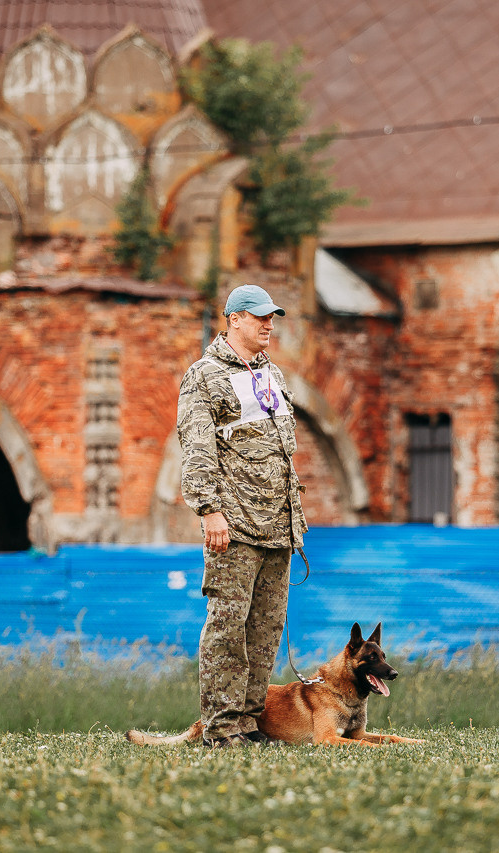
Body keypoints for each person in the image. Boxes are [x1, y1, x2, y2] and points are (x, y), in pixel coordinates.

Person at [177, 283, 308, 748]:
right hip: (234, 525)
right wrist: (209, 510)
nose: (267, 324)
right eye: (258, 317)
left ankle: (250, 724)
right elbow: (197, 449)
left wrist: (294, 519)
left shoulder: (272, 374)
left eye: (271, 316)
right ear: (234, 319)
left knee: (265, 631)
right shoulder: (204, 375)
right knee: (227, 629)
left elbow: (283, 452)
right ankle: (221, 728)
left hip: (278, 525)